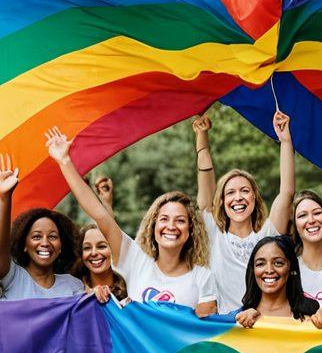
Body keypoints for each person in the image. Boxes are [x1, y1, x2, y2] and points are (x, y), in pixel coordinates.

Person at [46, 126, 217, 315]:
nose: (171, 226)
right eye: (164, 219)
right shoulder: (135, 260)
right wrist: (65, 161)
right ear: (153, 226)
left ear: (190, 230)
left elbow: (205, 333)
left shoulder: (202, 277)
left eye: (180, 221)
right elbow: (99, 214)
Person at [194, 111, 296, 313]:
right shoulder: (213, 234)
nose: (238, 197)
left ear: (254, 198)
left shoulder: (267, 234)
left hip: (264, 329)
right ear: (221, 202)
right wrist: (201, 136)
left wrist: (285, 141)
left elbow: (287, 192)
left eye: (245, 191)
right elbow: (205, 178)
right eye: (230, 192)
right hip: (227, 331)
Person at [0, 153, 85, 300]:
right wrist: (4, 197)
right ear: (24, 245)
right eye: (37, 236)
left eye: (52, 236)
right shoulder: (13, 278)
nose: (45, 243)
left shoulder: (73, 286)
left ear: (61, 245)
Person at [235, 236, 321, 327]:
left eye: (278, 263)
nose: (269, 270)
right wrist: (237, 321)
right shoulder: (241, 317)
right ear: (253, 270)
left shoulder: (311, 314)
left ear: (291, 268)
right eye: (260, 264)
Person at [74, 223, 128, 303]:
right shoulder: (73, 290)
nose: (94, 253)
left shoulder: (130, 287)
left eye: (101, 246)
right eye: (87, 248)